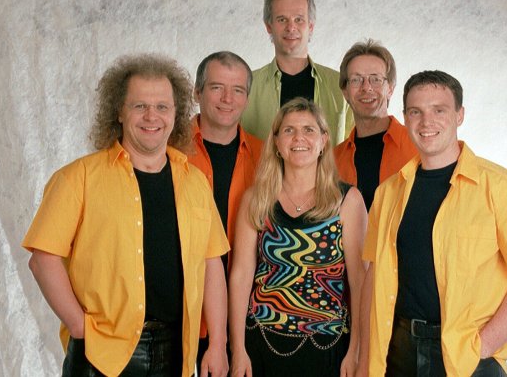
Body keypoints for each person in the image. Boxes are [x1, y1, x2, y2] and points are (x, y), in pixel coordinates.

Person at [22, 54, 230, 377]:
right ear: (119, 111)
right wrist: (79, 327)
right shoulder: (78, 178)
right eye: (139, 106)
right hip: (101, 354)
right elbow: (42, 259)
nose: (152, 116)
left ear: (176, 113)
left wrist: (217, 343)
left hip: (176, 351)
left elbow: (211, 262)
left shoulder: (195, 182)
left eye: (162, 106)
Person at [358, 71, 507, 377]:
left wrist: (483, 347)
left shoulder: (500, 188)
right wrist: (365, 360)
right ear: (405, 118)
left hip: (469, 358)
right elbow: (373, 277)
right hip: (397, 353)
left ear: (459, 115)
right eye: (416, 112)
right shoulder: (388, 194)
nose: (427, 121)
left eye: (439, 110)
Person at [230, 98, 367, 377]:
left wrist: (355, 351)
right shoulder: (256, 199)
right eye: (289, 130)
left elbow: (359, 281)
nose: (298, 138)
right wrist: (238, 348)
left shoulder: (347, 201)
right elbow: (241, 275)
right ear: (276, 143)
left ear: (323, 141)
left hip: (327, 345)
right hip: (261, 341)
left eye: (309, 130)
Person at [188, 51, 263, 371]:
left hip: (248, 316)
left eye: (238, 90)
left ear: (247, 98)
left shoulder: (267, 157)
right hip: (182, 312)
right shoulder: (168, 150)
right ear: (197, 92)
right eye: (217, 87)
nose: (227, 99)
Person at [240, 0, 354, 145]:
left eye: (299, 19)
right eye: (282, 19)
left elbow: (353, 148)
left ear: (311, 26)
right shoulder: (246, 87)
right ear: (269, 26)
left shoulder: (340, 86)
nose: (291, 27)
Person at [334, 39, 418, 210]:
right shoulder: (333, 161)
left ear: (390, 89)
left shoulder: (419, 147)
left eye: (376, 79)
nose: (366, 88)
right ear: (345, 92)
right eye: (356, 80)